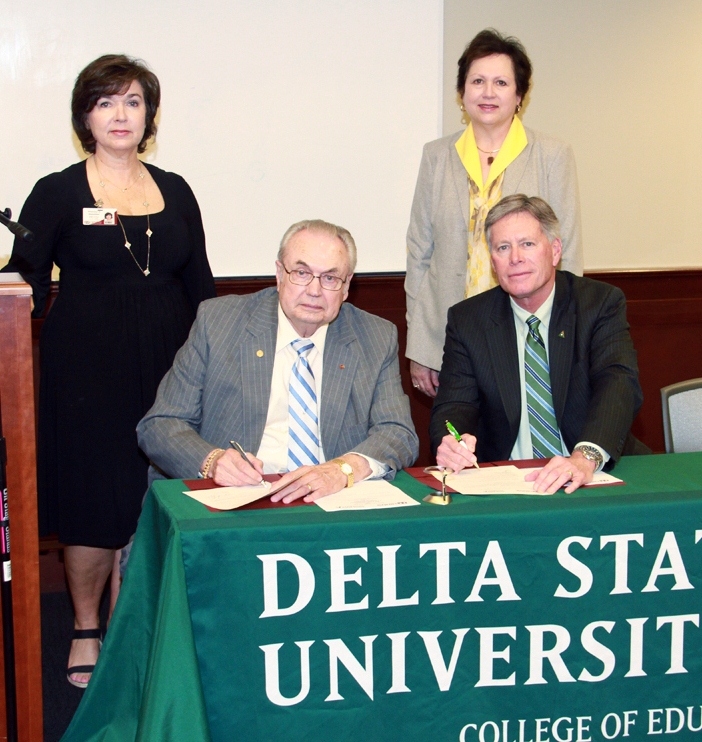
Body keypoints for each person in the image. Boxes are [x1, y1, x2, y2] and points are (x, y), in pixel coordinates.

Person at [2, 55, 216, 687]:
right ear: (85, 117)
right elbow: (23, 285)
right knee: (94, 504)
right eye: (105, 103)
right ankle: (86, 628)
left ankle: (142, 626)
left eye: (132, 102)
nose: (120, 115)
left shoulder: (176, 190)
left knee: (157, 498)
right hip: (86, 379)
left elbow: (200, 283)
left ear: (148, 115)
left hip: (172, 376)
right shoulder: (57, 190)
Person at [137, 219, 418, 502]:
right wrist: (212, 461)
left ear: (346, 288)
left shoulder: (375, 337)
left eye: (330, 278)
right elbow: (161, 424)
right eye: (301, 272)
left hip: (332, 500)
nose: (314, 290)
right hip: (239, 499)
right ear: (279, 274)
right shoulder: (220, 322)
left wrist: (343, 469)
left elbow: (397, 432)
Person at [406, 29, 584, 397]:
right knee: (461, 445)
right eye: (478, 81)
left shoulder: (551, 154)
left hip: (531, 333)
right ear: (462, 92)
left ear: (520, 95)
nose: (488, 92)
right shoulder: (436, 156)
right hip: (452, 339)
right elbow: (419, 254)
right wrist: (420, 346)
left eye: (501, 82)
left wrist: (562, 338)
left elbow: (567, 252)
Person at [430, 194, 648, 494]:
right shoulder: (468, 320)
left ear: (555, 250)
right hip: (508, 481)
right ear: (492, 260)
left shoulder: (598, 304)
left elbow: (618, 384)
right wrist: (451, 442)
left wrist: (586, 457)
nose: (515, 258)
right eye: (502, 247)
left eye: (527, 244)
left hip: (592, 472)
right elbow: (455, 404)